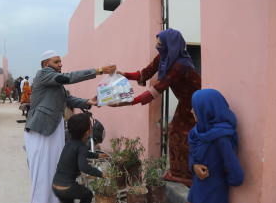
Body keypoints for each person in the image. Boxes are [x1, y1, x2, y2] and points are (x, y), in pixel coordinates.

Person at [111, 28, 201, 187]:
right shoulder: (164, 57)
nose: (157, 46)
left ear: (170, 45)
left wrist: (129, 102)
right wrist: (122, 74)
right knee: (175, 132)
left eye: (160, 44)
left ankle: (192, 174)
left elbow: (157, 89)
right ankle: (178, 173)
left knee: (189, 136)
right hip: (184, 102)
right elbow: (145, 73)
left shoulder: (179, 65)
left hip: (197, 104)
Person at [24, 50, 116, 203]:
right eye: (56, 62)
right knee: (42, 171)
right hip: (41, 130)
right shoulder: (44, 74)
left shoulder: (55, 83)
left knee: (54, 168)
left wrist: (87, 102)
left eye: (60, 61)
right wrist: (99, 71)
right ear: (45, 64)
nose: (60, 64)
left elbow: (67, 99)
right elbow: (69, 77)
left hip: (54, 129)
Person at [187, 89, 244, 203]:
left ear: (206, 110)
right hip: (196, 190)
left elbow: (237, 176)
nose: (192, 111)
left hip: (214, 195)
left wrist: (217, 178)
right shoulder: (197, 132)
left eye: (195, 107)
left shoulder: (221, 138)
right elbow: (193, 155)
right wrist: (194, 166)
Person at [52, 113, 108, 203]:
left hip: (56, 185)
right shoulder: (82, 146)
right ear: (87, 132)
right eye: (90, 125)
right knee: (87, 195)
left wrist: (96, 155)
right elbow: (83, 166)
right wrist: (101, 174)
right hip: (68, 188)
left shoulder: (70, 142)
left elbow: (80, 153)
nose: (91, 127)